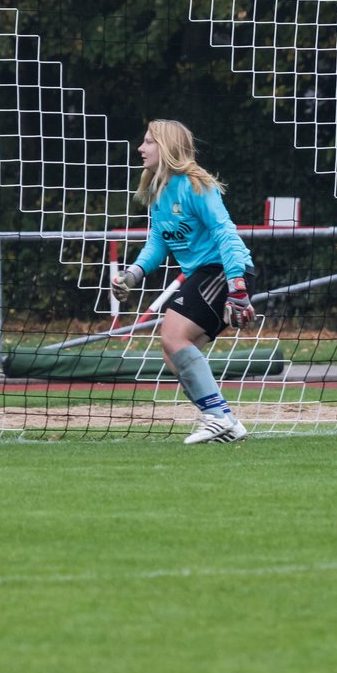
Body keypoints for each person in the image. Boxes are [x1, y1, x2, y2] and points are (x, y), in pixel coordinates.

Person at [111, 119, 257, 444]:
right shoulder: (158, 190)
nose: (141, 147)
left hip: (223, 270)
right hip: (205, 275)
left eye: (148, 141)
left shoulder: (194, 184)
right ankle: (225, 421)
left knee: (173, 335)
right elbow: (158, 242)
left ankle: (217, 418)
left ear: (166, 146)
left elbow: (225, 232)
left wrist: (238, 288)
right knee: (172, 350)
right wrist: (132, 275)